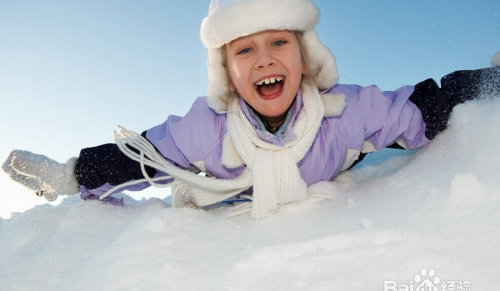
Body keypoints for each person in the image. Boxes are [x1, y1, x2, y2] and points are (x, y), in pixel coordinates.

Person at [3, 0, 500, 219]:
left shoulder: (345, 112)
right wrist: (72, 174)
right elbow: (142, 158)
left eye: (279, 41)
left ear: (304, 56)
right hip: (228, 203)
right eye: (244, 50)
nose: (264, 58)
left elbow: (425, 109)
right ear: (228, 73)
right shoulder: (208, 127)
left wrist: (492, 81)